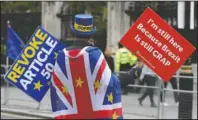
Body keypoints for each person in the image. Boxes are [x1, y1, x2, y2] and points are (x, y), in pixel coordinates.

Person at [51, 14, 125, 119]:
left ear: (73, 33)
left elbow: (56, 85)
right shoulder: (95, 54)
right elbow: (110, 82)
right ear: (91, 35)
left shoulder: (61, 56)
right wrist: (134, 72)